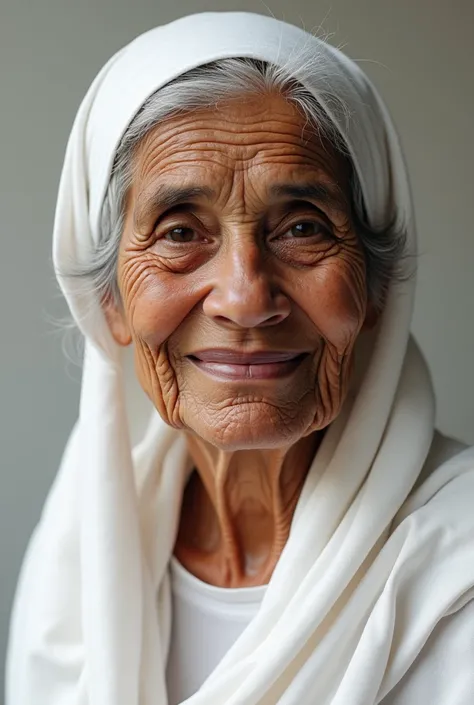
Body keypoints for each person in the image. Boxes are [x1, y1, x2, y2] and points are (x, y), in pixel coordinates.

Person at [6, 11, 474, 705]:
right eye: (181, 231)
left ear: (376, 287)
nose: (246, 296)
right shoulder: (82, 550)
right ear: (110, 303)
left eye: (303, 227)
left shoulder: (456, 567)